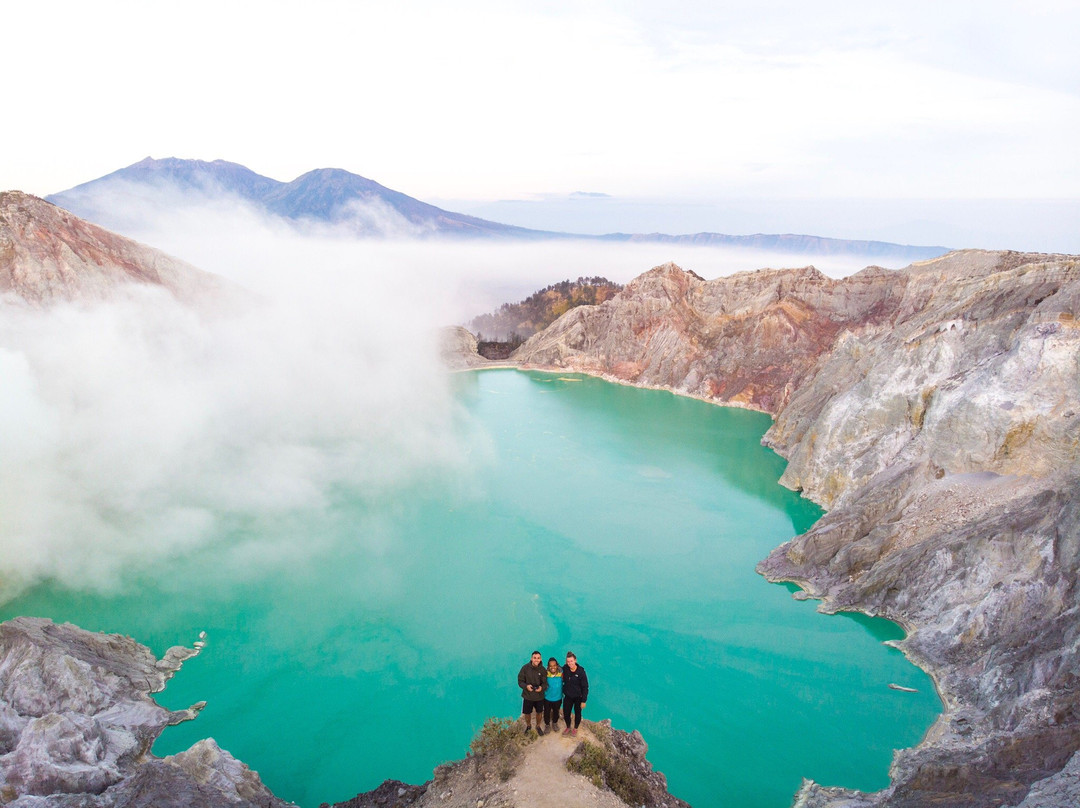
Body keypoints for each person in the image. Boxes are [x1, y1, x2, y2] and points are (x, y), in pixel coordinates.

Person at [518, 650, 548, 735]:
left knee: (539, 712)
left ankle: (538, 726)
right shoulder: (525, 668)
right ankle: (528, 726)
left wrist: (541, 688)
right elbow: (520, 681)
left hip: (539, 696)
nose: (536, 660)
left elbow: (545, 683)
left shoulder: (543, 670)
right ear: (531, 658)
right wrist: (526, 686)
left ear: (540, 659)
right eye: (534, 658)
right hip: (528, 696)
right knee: (527, 713)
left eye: (538, 658)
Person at [561, 651, 588, 736]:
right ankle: (568, 727)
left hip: (578, 697)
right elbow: (557, 670)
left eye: (571, 661)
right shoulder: (565, 668)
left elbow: (585, 687)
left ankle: (575, 728)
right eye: (568, 661)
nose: (570, 663)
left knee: (578, 713)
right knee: (566, 712)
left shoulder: (581, 672)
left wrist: (583, 701)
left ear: (575, 660)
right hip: (568, 696)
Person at [543, 657, 563, 733]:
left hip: (558, 698)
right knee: (547, 712)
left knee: (556, 711)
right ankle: (547, 725)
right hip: (547, 698)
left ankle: (554, 723)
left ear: (557, 665)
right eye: (550, 666)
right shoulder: (545, 674)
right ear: (548, 667)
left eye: (554, 665)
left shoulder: (561, 673)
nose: (553, 667)